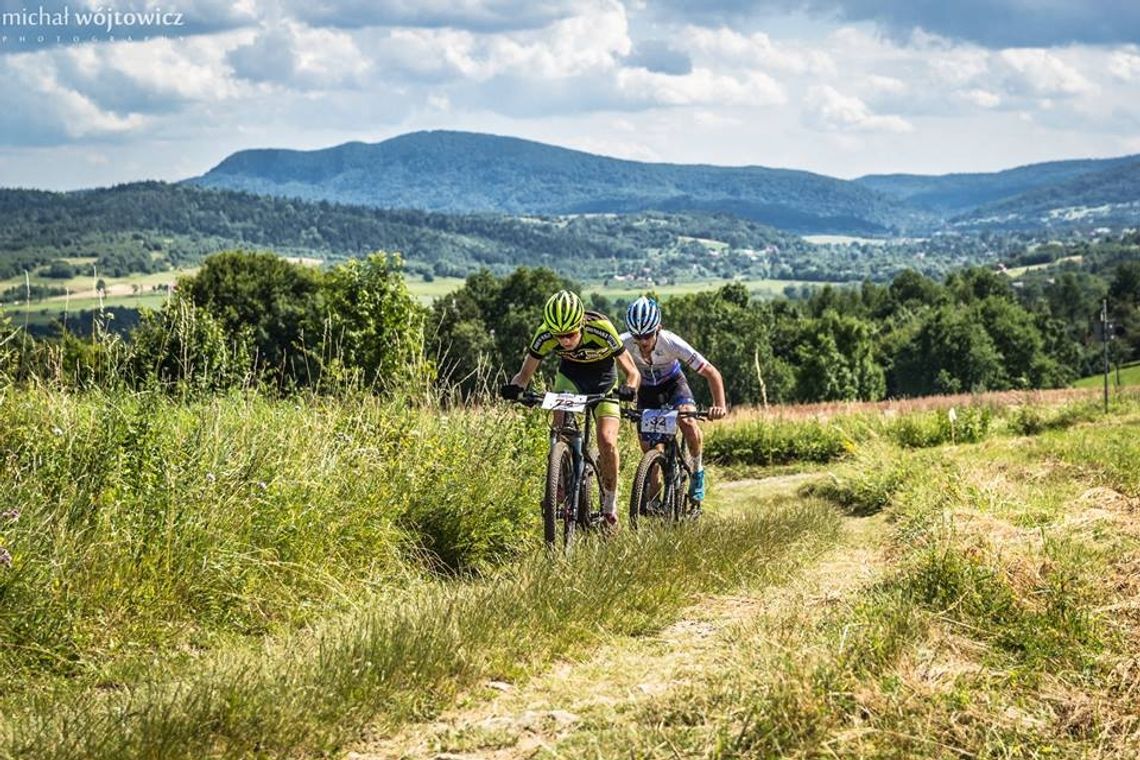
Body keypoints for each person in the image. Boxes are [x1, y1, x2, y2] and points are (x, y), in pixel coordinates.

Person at [500, 290, 640, 527]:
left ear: (581, 325)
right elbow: (524, 374)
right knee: (559, 428)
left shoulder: (601, 328)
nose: (564, 341)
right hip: (571, 377)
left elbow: (633, 372)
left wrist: (629, 387)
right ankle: (560, 482)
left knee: (607, 440)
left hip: (603, 379)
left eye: (570, 334)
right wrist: (515, 389)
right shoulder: (544, 334)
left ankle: (609, 504)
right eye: (559, 336)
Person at [621, 296, 727, 505]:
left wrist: (719, 405)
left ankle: (697, 471)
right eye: (637, 336)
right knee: (652, 457)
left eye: (648, 335)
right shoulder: (623, 342)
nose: (642, 342)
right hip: (646, 392)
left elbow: (711, 372)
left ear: (658, 328)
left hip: (673, 385)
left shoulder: (671, 342)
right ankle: (656, 507)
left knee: (687, 421)